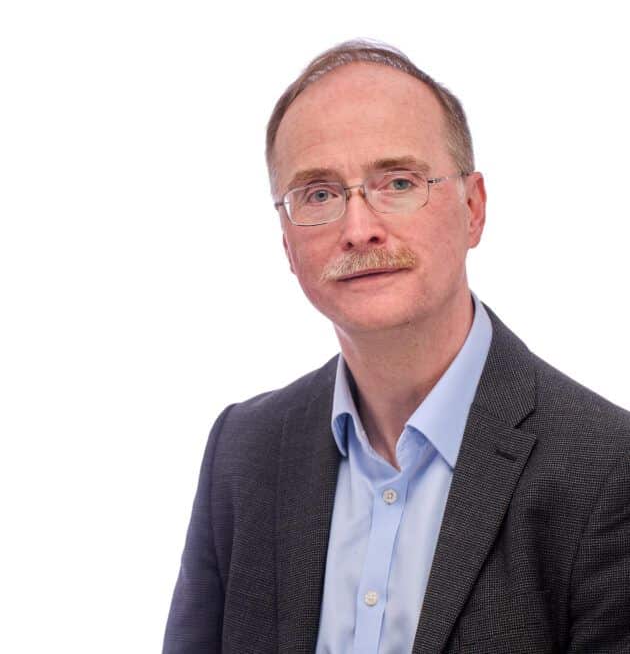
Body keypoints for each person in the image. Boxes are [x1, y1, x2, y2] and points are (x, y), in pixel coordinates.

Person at [163, 40, 630, 654]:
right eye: (319, 194)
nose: (358, 230)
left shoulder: (609, 469)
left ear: (473, 209)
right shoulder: (242, 451)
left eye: (399, 182)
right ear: (285, 242)